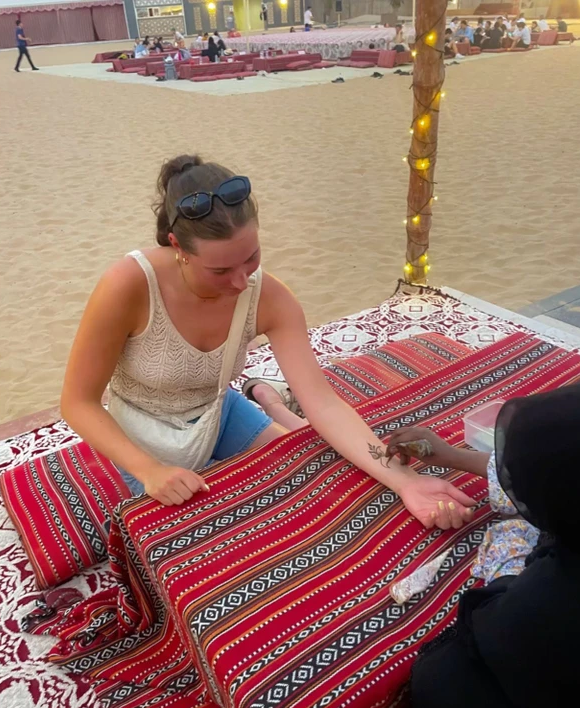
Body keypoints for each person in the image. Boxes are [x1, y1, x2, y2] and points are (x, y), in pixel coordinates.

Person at [61, 154, 475, 527]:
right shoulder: (129, 285)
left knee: (314, 473)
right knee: (188, 528)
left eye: (251, 258)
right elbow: (77, 402)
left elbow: (324, 404)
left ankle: (267, 399)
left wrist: (405, 482)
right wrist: (149, 470)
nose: (241, 282)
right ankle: (267, 400)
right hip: (141, 430)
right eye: (220, 271)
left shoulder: (269, 297)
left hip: (216, 411)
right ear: (177, 247)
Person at [398, 384, 580, 708]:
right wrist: (450, 455)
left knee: (440, 677)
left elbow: (492, 634)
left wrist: (507, 578)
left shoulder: (553, 600)